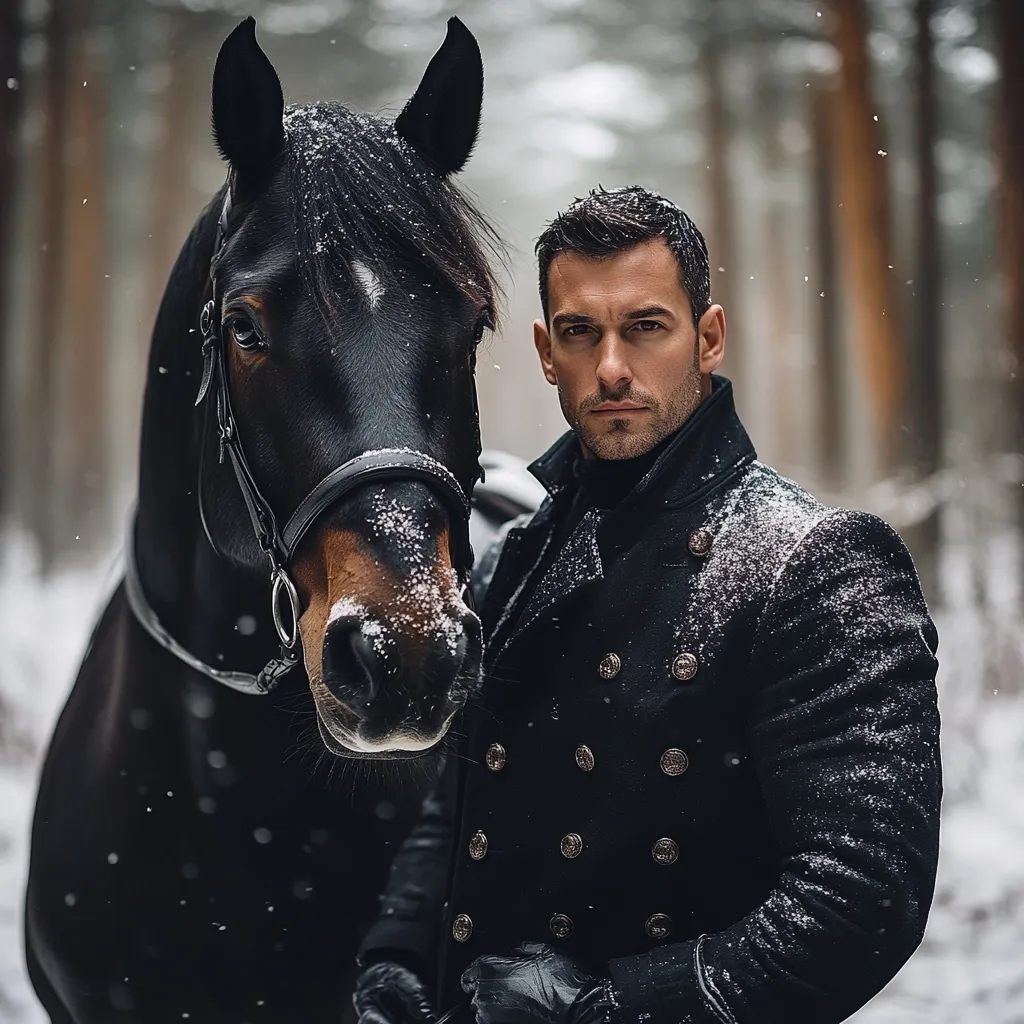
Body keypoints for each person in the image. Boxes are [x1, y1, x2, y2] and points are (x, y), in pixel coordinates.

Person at [351, 186, 941, 1024]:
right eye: (581, 332)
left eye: (646, 327)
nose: (612, 367)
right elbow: (461, 802)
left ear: (708, 338)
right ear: (546, 352)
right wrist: (401, 954)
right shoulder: (516, 555)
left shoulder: (817, 561)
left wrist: (607, 1009)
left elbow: (861, 896)